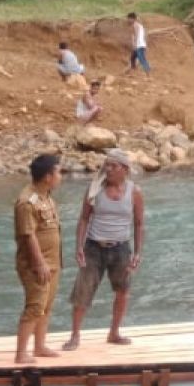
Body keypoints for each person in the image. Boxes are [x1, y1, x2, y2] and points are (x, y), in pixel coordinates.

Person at [63, 148, 145, 351]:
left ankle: (114, 333)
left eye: (113, 166)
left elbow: (139, 223)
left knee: (123, 290)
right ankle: (75, 336)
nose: (108, 169)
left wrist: (137, 252)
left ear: (124, 169)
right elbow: (83, 218)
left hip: (121, 248)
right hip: (93, 247)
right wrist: (79, 247)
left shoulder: (134, 192)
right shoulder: (94, 189)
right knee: (83, 292)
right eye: (106, 165)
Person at [14, 154, 64, 364]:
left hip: (52, 262)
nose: (61, 176)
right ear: (47, 177)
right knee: (35, 306)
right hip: (37, 265)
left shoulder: (46, 196)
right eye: (58, 172)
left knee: (46, 305)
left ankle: (39, 346)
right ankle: (21, 353)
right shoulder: (27, 201)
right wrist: (39, 263)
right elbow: (28, 234)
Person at [125, 12, 151, 77]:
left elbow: (136, 35)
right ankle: (133, 70)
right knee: (132, 58)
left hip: (139, 45)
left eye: (129, 19)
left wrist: (135, 44)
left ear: (132, 19)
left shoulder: (135, 25)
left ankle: (148, 72)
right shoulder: (140, 25)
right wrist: (146, 44)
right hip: (141, 44)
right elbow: (145, 35)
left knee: (142, 59)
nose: (128, 20)